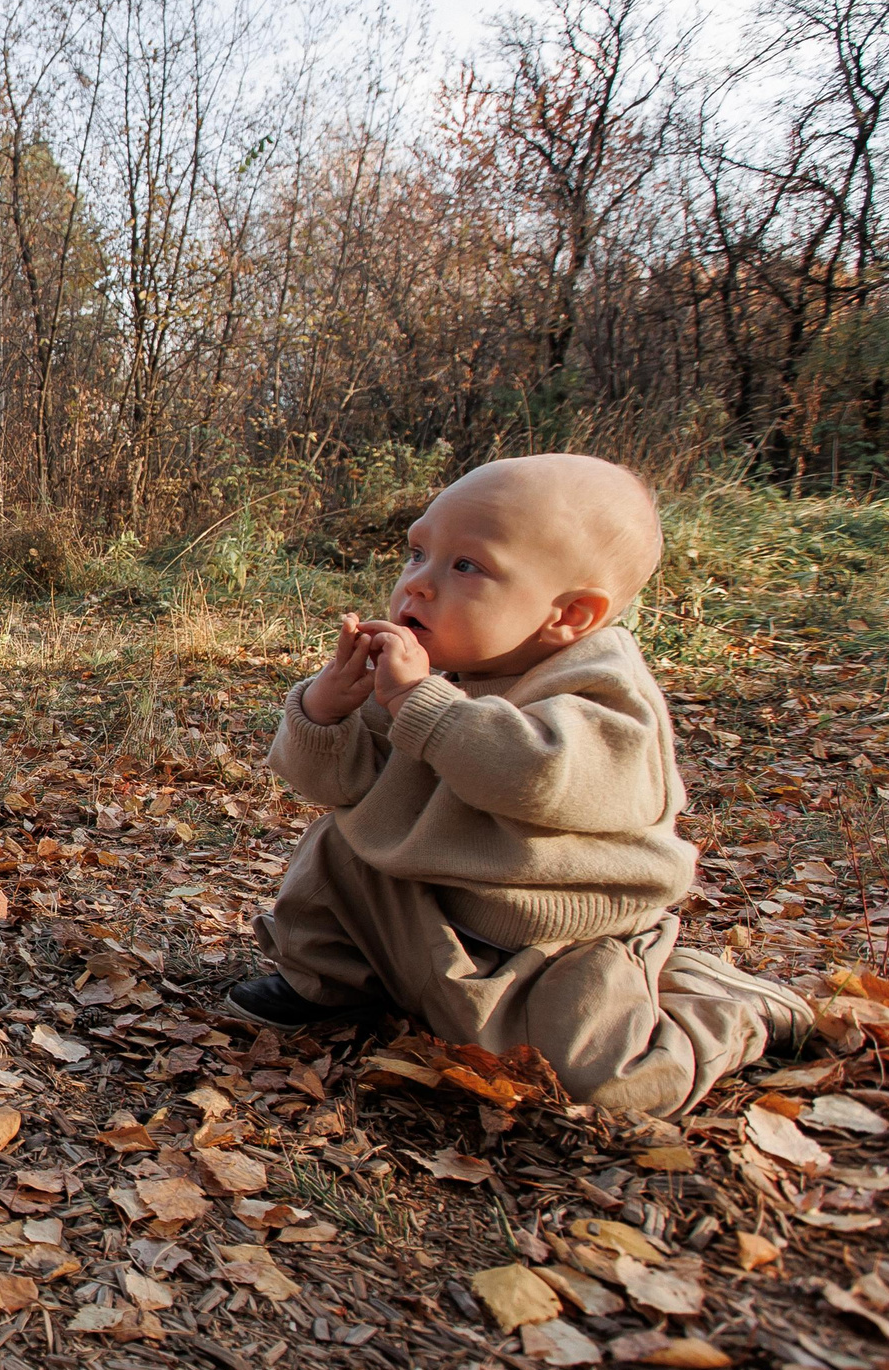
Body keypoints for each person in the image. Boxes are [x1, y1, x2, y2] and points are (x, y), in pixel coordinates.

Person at [232, 453, 811, 1113]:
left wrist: (420, 703)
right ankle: (328, 982)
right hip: (437, 905)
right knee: (342, 845)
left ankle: (723, 1007)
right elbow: (335, 782)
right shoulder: (435, 672)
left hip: (556, 940)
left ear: (569, 615)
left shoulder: (602, 690)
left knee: (603, 1082)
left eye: (466, 566)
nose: (417, 585)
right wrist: (326, 709)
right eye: (417, 552)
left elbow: (535, 776)